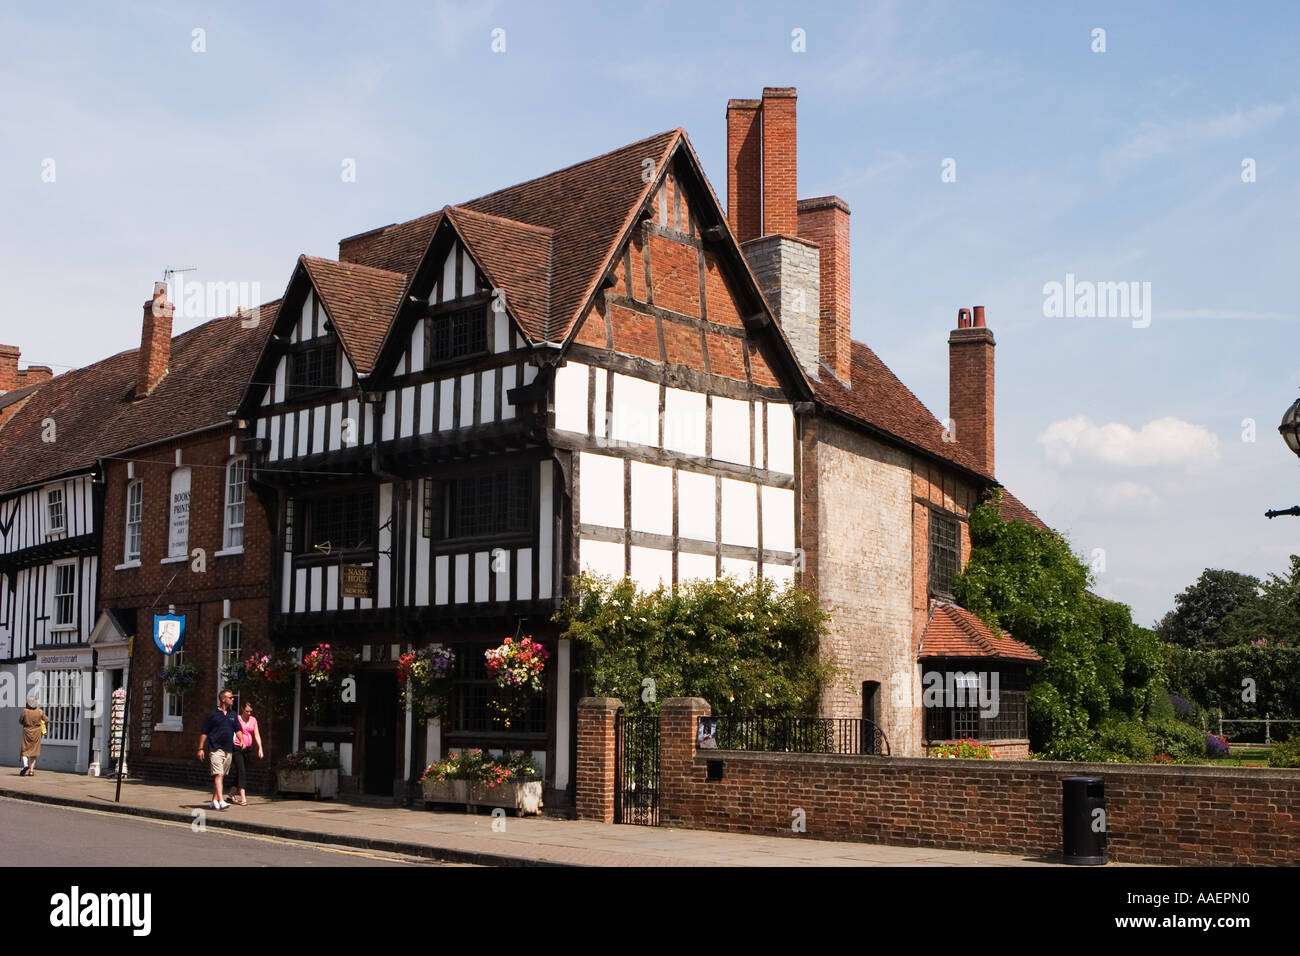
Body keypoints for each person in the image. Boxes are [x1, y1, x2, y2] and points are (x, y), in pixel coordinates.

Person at [197, 689, 240, 810]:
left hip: (228, 749)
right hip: (215, 749)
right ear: (223, 699)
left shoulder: (233, 714)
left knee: (220, 776)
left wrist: (241, 740)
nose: (233, 699)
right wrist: (200, 748)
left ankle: (213, 800)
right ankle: (221, 800)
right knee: (218, 774)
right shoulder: (212, 715)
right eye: (230, 697)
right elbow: (204, 732)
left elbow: (238, 729)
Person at [230, 701, 263, 806]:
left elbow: (257, 735)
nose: (249, 713)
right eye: (247, 711)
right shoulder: (237, 719)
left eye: (250, 711)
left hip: (248, 749)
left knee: (241, 772)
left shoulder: (253, 720)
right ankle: (243, 797)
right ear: (242, 710)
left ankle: (231, 793)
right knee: (242, 771)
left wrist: (260, 748)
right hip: (237, 748)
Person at [18, 693, 47, 776]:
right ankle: (31, 771)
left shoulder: (25, 711)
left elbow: (20, 721)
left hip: (27, 731)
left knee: (24, 750)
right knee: (34, 752)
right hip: (37, 733)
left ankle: (25, 765)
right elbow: (47, 720)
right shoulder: (40, 711)